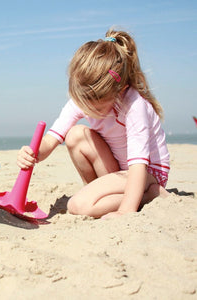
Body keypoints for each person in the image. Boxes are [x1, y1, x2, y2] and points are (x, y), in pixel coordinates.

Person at [17, 28, 170, 219]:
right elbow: (52, 138)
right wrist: (33, 153)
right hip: (119, 169)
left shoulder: (133, 106)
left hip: (147, 173)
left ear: (119, 91)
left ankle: (149, 195)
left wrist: (125, 211)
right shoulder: (84, 98)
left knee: (77, 205)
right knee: (75, 135)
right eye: (82, 103)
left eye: (94, 107)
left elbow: (138, 164)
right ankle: (97, 194)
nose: (86, 109)